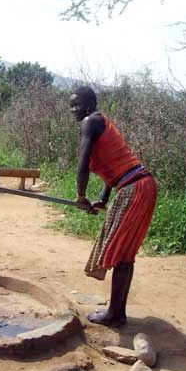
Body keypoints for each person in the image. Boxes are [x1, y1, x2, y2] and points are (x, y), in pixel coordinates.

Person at [70, 86, 157, 327]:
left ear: (89, 105)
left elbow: (83, 163)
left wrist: (80, 195)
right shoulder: (100, 122)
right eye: (71, 106)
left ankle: (116, 314)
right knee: (123, 252)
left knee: (121, 252)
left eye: (77, 105)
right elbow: (116, 167)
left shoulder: (90, 122)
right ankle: (116, 311)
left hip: (135, 188)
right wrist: (103, 198)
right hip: (135, 185)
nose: (73, 110)